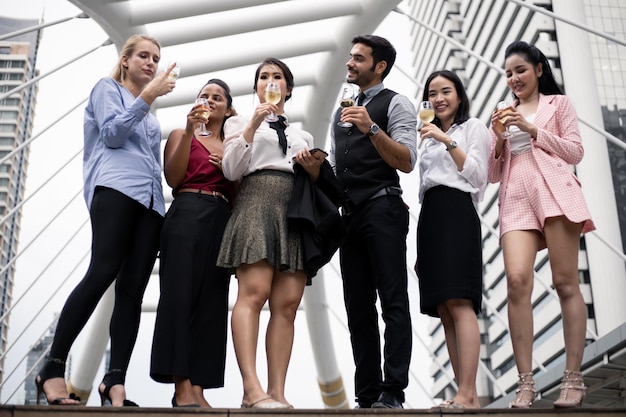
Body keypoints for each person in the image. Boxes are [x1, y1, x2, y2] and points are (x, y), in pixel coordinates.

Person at [34, 34, 175, 406]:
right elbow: (112, 135)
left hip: (151, 204)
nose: (151, 62)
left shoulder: (150, 116)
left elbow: (153, 164)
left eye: (155, 58)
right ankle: (52, 367)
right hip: (114, 190)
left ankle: (114, 383)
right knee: (102, 271)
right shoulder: (106, 89)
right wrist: (148, 97)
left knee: (132, 292)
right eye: (143, 56)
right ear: (125, 60)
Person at [488, 40, 595, 409]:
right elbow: (491, 173)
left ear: (538, 69)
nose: (513, 78)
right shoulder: (503, 112)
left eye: (520, 70)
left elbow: (575, 151)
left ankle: (573, 377)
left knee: (565, 282)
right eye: (508, 74)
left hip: (553, 189)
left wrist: (532, 131)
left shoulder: (558, 104)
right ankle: (525, 382)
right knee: (517, 281)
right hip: (515, 196)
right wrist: (498, 139)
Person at [217, 57, 321, 409]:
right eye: (264, 77)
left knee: (287, 305)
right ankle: (251, 388)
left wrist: (314, 168)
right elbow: (231, 169)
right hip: (256, 202)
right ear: (256, 86)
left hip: (293, 211)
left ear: (288, 88)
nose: (270, 82)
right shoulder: (239, 122)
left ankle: (277, 392)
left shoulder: (301, 134)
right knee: (254, 293)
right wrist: (253, 125)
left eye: (277, 77)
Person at [330, 34, 417, 409]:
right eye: (350, 58)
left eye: (358, 59)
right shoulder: (340, 111)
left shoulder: (396, 103)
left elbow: (407, 160)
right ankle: (366, 395)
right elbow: (339, 165)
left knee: (392, 301)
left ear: (379, 66)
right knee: (357, 308)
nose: (350, 64)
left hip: (383, 208)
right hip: (349, 218)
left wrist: (372, 128)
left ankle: (393, 391)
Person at [150, 79, 237, 408]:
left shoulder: (232, 143)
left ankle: (199, 386)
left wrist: (231, 170)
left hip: (222, 218)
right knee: (179, 297)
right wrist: (189, 130)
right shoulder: (178, 134)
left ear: (228, 109)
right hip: (187, 212)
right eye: (205, 95)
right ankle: (181, 385)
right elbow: (172, 178)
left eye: (218, 98)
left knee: (212, 303)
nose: (210, 100)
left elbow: (240, 193)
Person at [416, 70, 490, 409]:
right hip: (431, 215)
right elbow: (423, 187)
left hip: (458, 210)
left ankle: (467, 392)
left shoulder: (472, 128)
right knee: (444, 308)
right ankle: (467, 395)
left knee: (460, 302)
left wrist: (447, 141)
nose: (439, 98)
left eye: (446, 91)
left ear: (459, 95)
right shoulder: (426, 138)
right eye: (432, 93)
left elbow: (477, 176)